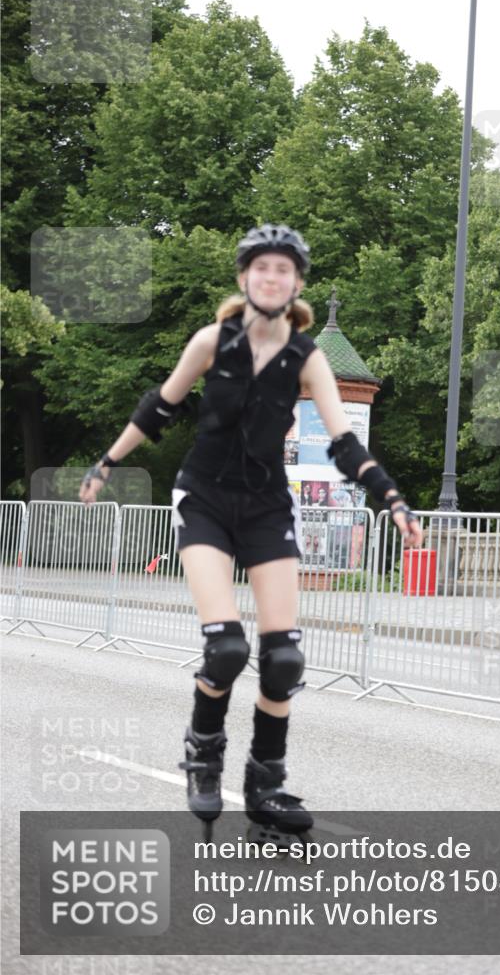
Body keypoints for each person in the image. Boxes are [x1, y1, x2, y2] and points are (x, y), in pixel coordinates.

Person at [78, 223, 423, 841]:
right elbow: (160, 406)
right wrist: (107, 462)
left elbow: (344, 442)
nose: (271, 277)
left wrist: (391, 497)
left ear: (296, 283)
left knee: (283, 659)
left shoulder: (307, 356)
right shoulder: (214, 340)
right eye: (261, 268)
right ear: (244, 278)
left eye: (283, 269)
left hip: (266, 505)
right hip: (206, 498)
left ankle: (266, 783)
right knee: (228, 649)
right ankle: (203, 751)